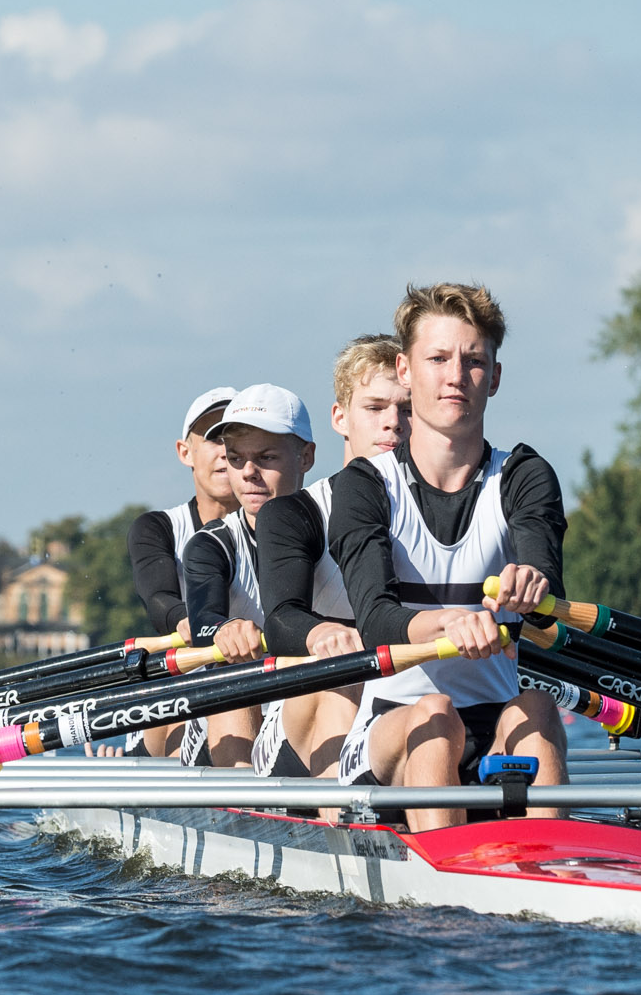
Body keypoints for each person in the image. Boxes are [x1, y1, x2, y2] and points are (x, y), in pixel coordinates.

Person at [330, 283, 568, 828]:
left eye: (473, 360)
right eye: (437, 358)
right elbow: (375, 621)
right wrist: (448, 622)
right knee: (435, 715)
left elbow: (545, 579)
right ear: (406, 371)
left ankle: (557, 864)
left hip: (495, 725)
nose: (456, 375)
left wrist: (533, 586)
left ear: (496, 377)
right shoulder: (364, 487)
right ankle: (443, 902)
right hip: (393, 729)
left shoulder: (525, 476)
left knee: (537, 705)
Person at [253, 335, 409, 778]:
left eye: (407, 409)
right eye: (375, 408)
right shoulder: (294, 514)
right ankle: (346, 826)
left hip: (407, 701)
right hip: (309, 712)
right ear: (340, 418)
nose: (393, 424)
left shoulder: (448, 509)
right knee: (345, 675)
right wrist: (322, 633)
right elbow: (281, 619)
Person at [179, 385, 317, 769]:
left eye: (266, 457)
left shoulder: (338, 528)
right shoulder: (212, 545)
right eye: (236, 459)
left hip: (306, 704)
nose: (248, 473)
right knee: (230, 674)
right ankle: (243, 807)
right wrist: (225, 629)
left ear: (306, 456)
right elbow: (205, 620)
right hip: (230, 714)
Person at [125, 384, 237, 755]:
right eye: (213, 438)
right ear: (185, 452)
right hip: (184, 678)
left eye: (236, 438)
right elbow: (159, 599)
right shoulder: (158, 528)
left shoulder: (287, 525)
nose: (226, 451)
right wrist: (189, 621)